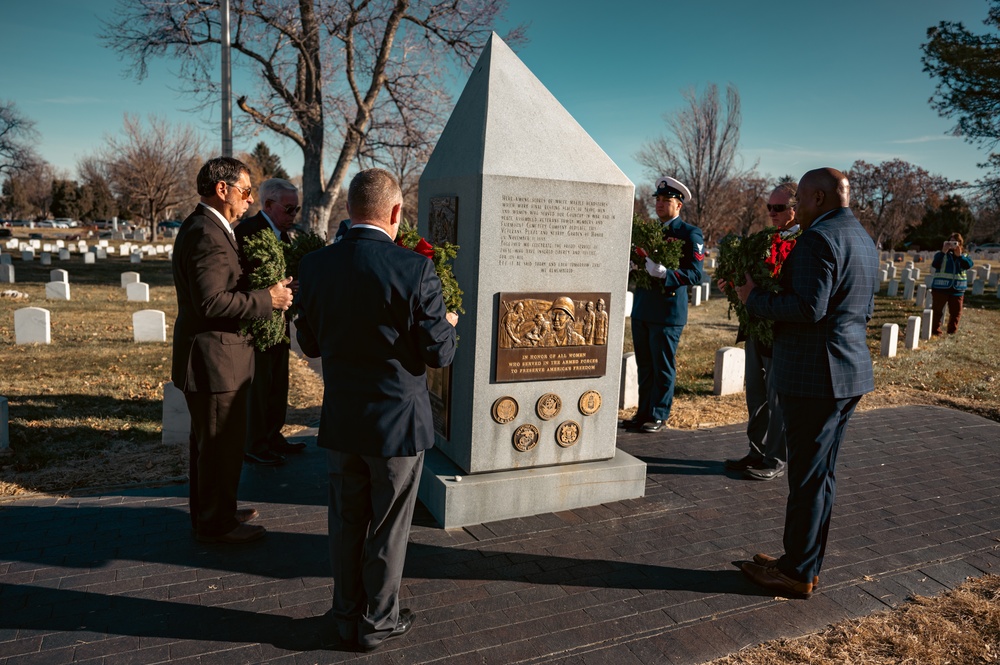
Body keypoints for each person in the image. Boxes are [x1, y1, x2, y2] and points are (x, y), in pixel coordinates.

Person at [295, 168, 458, 651]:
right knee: (388, 529)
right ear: (395, 212)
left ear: (349, 209)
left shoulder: (316, 266)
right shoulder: (414, 269)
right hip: (397, 426)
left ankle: (346, 613)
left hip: (344, 418)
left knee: (346, 523)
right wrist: (447, 323)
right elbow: (439, 354)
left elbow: (309, 342)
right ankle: (378, 621)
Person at [735, 167, 879, 598]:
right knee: (821, 476)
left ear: (818, 197)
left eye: (799, 196)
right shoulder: (862, 238)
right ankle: (802, 561)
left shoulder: (819, 238)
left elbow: (809, 307)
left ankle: (796, 572)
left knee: (807, 479)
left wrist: (753, 299)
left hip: (815, 376)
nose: (795, 206)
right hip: (847, 370)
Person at [171, 157, 294, 544]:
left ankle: (217, 508)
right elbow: (211, 302)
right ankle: (215, 524)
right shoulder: (206, 232)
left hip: (219, 358)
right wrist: (266, 300)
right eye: (245, 191)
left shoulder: (210, 227)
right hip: (214, 360)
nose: (249, 200)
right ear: (221, 190)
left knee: (215, 447)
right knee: (217, 448)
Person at [722, 183, 800, 481]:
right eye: (769, 207)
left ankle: (775, 458)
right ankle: (756, 451)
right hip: (756, 326)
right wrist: (733, 285)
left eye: (778, 208)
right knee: (755, 392)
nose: (771, 213)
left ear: (795, 209)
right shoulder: (764, 239)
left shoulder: (804, 242)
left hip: (781, 328)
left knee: (777, 397)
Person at [622, 176, 704, 433]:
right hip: (644, 308)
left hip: (667, 313)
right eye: (657, 200)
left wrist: (667, 273)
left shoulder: (689, 234)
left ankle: (659, 414)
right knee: (645, 365)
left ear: (679, 205)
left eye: (666, 200)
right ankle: (643, 412)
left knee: (662, 366)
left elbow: (695, 273)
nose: (659, 204)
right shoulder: (650, 232)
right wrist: (634, 267)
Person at [235, 178, 304, 466]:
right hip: (257, 324)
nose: (293, 216)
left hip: (281, 321)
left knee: (278, 384)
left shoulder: (287, 235)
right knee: (260, 385)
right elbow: (240, 279)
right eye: (289, 209)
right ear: (268, 205)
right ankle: (255, 443)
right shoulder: (248, 232)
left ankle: (273, 435)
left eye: (296, 209)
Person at [930, 232, 974, 335]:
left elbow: (968, 265)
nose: (952, 244)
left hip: (957, 289)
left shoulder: (965, 256)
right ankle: (935, 331)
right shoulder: (941, 254)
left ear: (960, 243)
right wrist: (943, 252)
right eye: (950, 242)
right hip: (940, 287)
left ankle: (952, 332)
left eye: (955, 242)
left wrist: (959, 256)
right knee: (937, 311)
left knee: (956, 313)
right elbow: (935, 264)